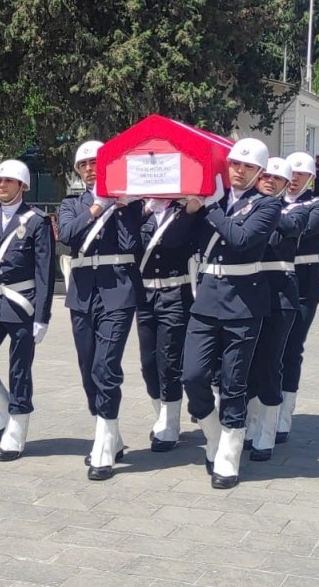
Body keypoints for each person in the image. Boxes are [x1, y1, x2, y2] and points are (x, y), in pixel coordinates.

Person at [181, 137, 281, 489]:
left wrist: (210, 209)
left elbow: (241, 239)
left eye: (248, 166)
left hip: (243, 302)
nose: (239, 171)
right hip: (207, 298)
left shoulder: (266, 206)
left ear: (259, 172)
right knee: (192, 375)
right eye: (235, 164)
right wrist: (190, 210)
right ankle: (213, 433)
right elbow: (184, 240)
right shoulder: (214, 199)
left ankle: (229, 452)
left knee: (233, 381)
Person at [57, 140, 143, 481]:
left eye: (96, 162)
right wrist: (96, 208)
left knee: (105, 367)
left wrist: (122, 208)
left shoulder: (128, 204)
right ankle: (111, 432)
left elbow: (131, 244)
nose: (90, 168)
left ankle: (104, 447)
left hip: (117, 290)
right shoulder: (71, 204)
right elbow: (67, 235)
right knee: (88, 368)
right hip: (82, 292)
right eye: (84, 164)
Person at [0, 159, 54, 461]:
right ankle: (4, 408)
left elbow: (45, 273)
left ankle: (17, 426)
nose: (1, 185)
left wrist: (42, 316)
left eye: (8, 181)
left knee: (19, 369)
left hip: (22, 304)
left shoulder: (37, 221)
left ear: (22, 186)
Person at [244, 158, 307, 462]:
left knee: (270, 362)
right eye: (265, 176)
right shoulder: (244, 206)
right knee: (248, 364)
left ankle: (267, 431)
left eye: (277, 179)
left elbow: (293, 227)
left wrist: (264, 208)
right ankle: (252, 422)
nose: (269, 181)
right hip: (249, 294)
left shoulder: (294, 210)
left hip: (280, 296)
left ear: (285, 185)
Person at [278, 153, 319, 444]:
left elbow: (303, 230)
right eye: (291, 172)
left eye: (301, 174)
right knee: (268, 352)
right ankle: (263, 409)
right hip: (272, 283)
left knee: (291, 349)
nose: (295, 178)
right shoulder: (272, 202)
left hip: (303, 285)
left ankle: (283, 414)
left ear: (311, 178)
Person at [135, 194, 197, 453]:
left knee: (169, 361)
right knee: (148, 363)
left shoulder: (186, 211)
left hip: (175, 293)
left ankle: (170, 424)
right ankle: (161, 414)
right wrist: (142, 213)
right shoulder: (138, 212)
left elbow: (175, 240)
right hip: (145, 295)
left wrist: (187, 209)